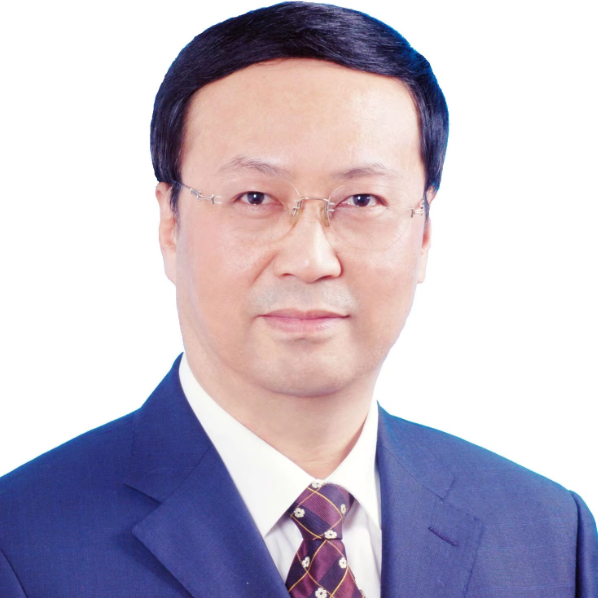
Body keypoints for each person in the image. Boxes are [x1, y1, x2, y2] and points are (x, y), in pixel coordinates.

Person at [0, 2, 596, 597]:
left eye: (362, 201)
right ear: (170, 224)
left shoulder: (547, 536)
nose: (311, 260)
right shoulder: (22, 545)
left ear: (424, 234)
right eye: (255, 198)